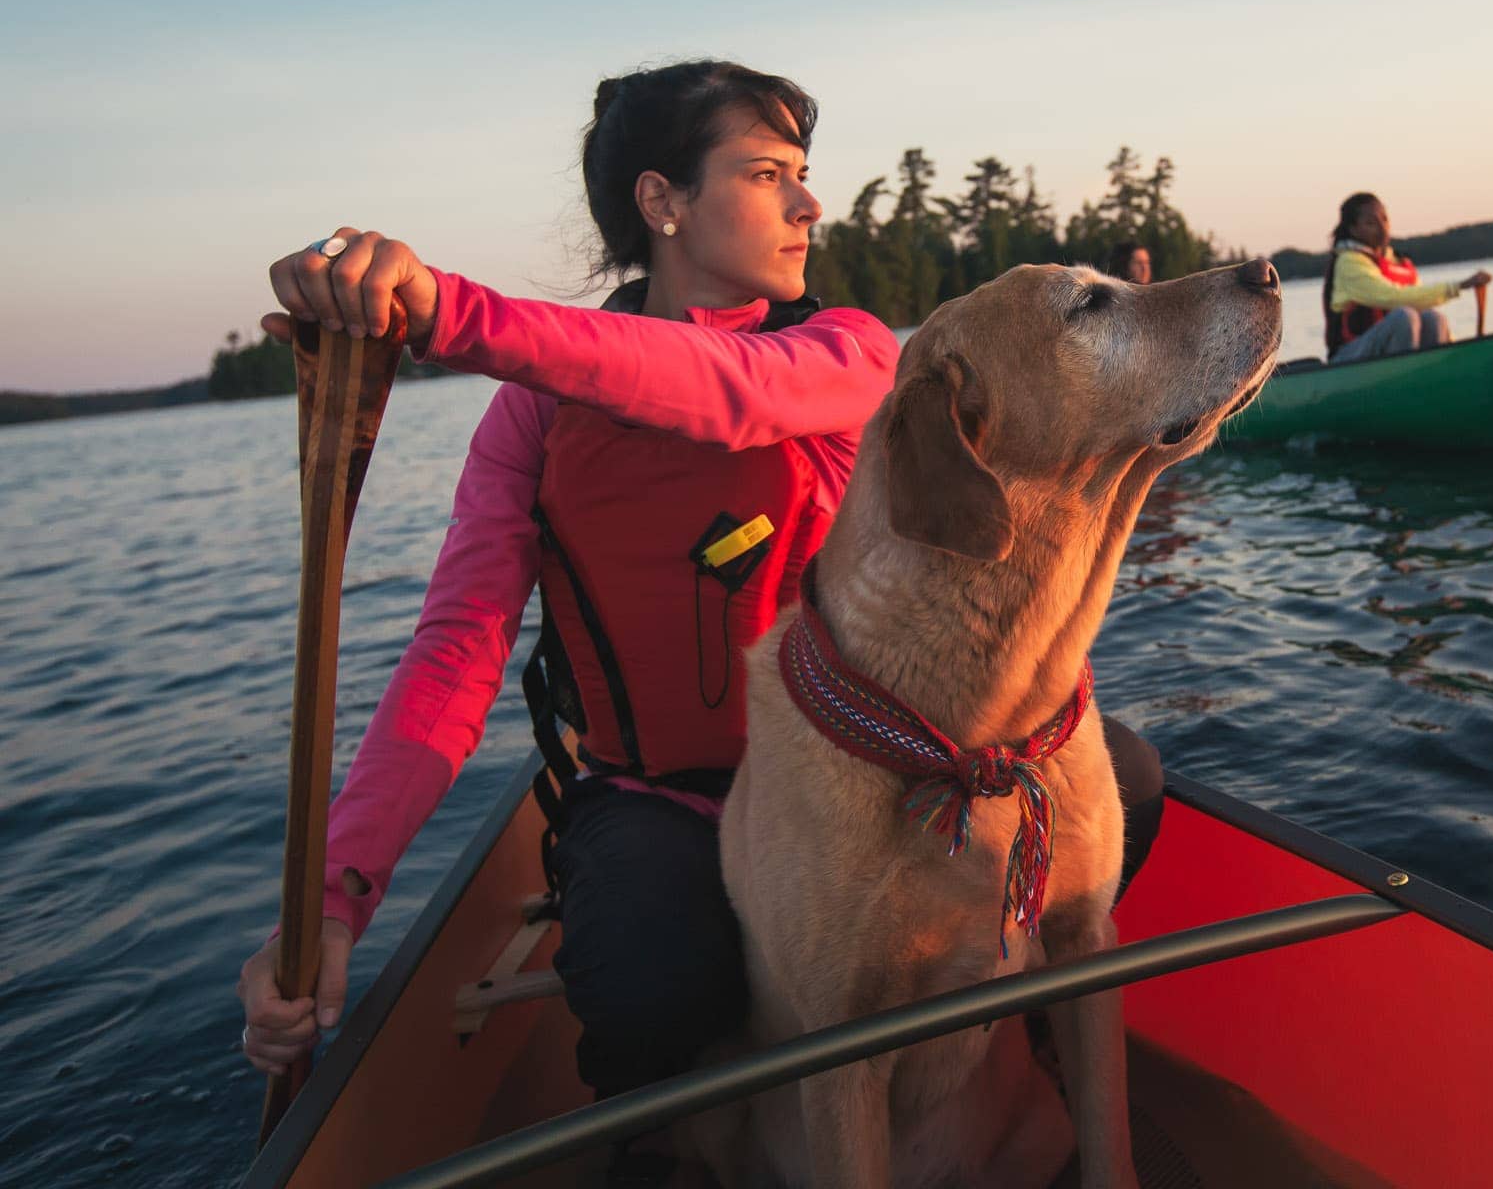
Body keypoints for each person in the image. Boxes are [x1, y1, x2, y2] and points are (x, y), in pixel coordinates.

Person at [233, 60, 1165, 1161]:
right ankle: (674, 1148)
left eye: (803, 173)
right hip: (666, 798)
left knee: (1130, 779)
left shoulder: (851, 353)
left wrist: (446, 312)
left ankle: (1013, 1046)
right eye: (767, 174)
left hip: (865, 778)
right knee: (643, 975)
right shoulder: (531, 420)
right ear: (661, 201)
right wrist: (335, 898)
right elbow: (454, 660)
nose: (809, 204)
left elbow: (727, 392)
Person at [1321, 191, 1490, 362]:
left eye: (1384, 219)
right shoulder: (1348, 262)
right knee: (1404, 317)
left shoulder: (1398, 263)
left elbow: (1420, 300)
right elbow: (1391, 296)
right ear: (1354, 230)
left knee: (1434, 318)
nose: (1382, 228)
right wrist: (1458, 286)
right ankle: (1405, 373)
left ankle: (1440, 366)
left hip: (1382, 354)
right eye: (1371, 223)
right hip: (1348, 356)